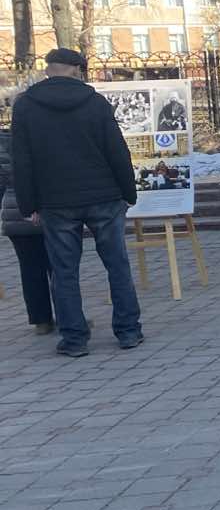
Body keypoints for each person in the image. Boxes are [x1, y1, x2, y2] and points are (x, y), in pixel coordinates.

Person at [9, 48, 142, 356]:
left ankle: (74, 339)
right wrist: (128, 193)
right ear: (76, 70)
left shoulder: (26, 106)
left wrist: (29, 205)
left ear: (48, 70)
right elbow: (117, 150)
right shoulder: (95, 103)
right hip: (104, 197)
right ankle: (128, 332)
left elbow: (22, 160)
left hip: (56, 202)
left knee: (64, 271)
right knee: (117, 265)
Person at [0, 123, 55, 334]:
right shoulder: (43, 137)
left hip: (14, 215)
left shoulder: (4, 143)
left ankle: (41, 321)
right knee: (59, 267)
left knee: (30, 269)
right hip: (48, 209)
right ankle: (68, 316)